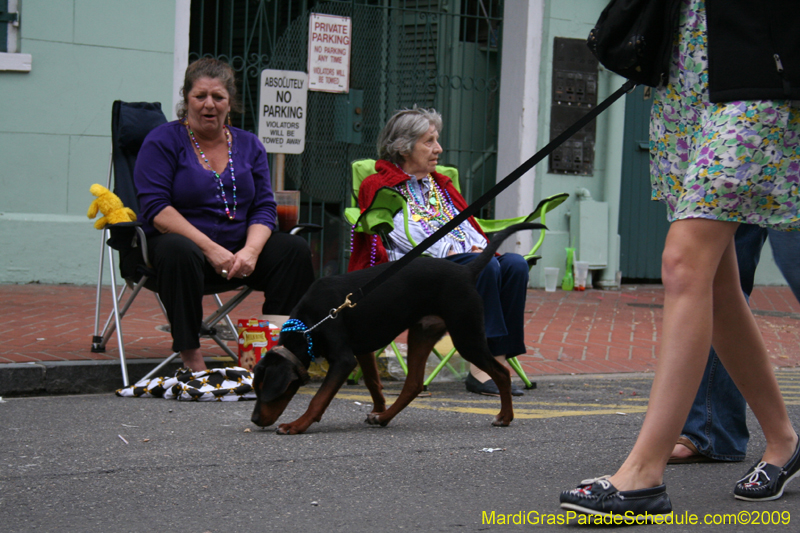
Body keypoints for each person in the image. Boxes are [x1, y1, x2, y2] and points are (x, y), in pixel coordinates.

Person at [560, 0, 800, 517]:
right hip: (681, 81)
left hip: (756, 79)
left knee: (683, 262)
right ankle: (784, 440)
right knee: (716, 283)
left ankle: (643, 474)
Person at [128, 58, 314, 372]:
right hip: (178, 253)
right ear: (186, 98)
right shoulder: (162, 141)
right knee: (179, 250)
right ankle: (191, 355)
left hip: (237, 254)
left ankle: (278, 348)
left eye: (218, 97)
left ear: (230, 102)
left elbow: (264, 207)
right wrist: (211, 250)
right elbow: (157, 209)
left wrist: (251, 251)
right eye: (200, 96)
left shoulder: (250, 145)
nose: (209, 105)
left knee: (293, 250)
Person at [348, 107, 527, 397]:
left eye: (437, 140)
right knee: (484, 266)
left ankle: (498, 359)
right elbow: (398, 234)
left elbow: (466, 223)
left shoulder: (440, 184)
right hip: (417, 268)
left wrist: (476, 246)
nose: (438, 149)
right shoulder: (377, 185)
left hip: (457, 261)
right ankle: (480, 367)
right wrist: (456, 250)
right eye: (429, 141)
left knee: (515, 265)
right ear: (404, 148)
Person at [671, 225, 800, 463]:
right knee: (717, 283)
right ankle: (712, 430)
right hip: (729, 198)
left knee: (793, 257)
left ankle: (782, 440)